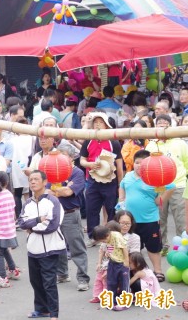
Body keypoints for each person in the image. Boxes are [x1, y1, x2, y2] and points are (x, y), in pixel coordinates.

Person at [19, 170, 66, 320]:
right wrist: (39, 220)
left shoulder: (53, 201)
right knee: (36, 281)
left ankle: (54, 313)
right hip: (33, 248)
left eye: (36, 179)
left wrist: (31, 227)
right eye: (30, 179)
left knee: (49, 282)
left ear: (45, 182)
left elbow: (52, 225)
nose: (32, 182)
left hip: (51, 248)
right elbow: (21, 223)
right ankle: (41, 309)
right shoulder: (27, 203)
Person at [119, 149, 172, 281]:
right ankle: (135, 271)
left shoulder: (154, 176)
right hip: (130, 221)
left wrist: (160, 199)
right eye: (137, 163)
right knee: (132, 247)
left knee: (153, 247)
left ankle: (158, 271)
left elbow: (171, 186)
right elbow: (122, 185)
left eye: (142, 163)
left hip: (150, 220)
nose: (139, 165)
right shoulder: (129, 176)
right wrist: (121, 199)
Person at [48, 144, 90, 291]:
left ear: (72, 158)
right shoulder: (50, 170)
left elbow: (68, 192)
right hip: (53, 214)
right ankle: (62, 274)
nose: (59, 157)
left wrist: (56, 190)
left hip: (70, 213)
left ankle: (83, 278)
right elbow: (44, 190)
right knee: (57, 246)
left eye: (64, 154)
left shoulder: (77, 172)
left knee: (76, 246)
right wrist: (61, 190)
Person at [145, 114, 188, 256]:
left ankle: (182, 248)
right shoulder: (151, 144)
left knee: (181, 219)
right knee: (160, 218)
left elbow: (186, 163)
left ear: (170, 126)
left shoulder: (180, 143)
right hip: (159, 188)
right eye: (160, 123)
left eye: (165, 123)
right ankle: (162, 245)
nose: (163, 125)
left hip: (178, 185)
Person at [79, 112, 124, 245]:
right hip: (92, 180)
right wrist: (89, 164)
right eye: (95, 122)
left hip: (110, 181)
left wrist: (120, 186)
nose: (98, 125)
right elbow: (82, 159)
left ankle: (110, 235)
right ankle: (93, 237)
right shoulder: (88, 140)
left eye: (101, 122)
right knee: (91, 208)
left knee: (111, 208)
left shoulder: (113, 142)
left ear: (106, 125)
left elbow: (119, 165)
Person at [0, 172, 20, 289]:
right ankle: (13, 269)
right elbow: (13, 211)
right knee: (5, 250)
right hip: (9, 228)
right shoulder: (9, 194)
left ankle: (2, 277)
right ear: (7, 182)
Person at [92, 224, 130, 311]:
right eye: (102, 241)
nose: (104, 242)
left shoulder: (117, 236)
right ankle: (112, 301)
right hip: (112, 262)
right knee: (111, 282)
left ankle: (125, 303)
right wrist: (109, 254)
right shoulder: (107, 239)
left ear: (108, 234)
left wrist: (126, 262)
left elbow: (124, 248)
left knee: (124, 283)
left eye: (104, 240)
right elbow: (110, 246)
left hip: (122, 263)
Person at [89, 221, 121, 304]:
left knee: (106, 282)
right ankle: (97, 295)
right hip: (104, 265)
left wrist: (108, 269)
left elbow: (112, 256)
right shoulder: (104, 243)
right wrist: (99, 263)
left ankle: (106, 297)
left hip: (111, 266)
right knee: (98, 280)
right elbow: (101, 251)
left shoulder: (115, 243)